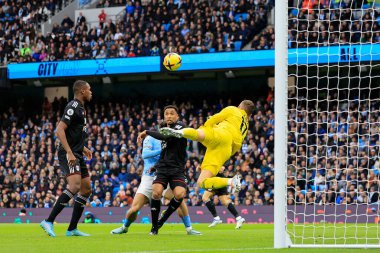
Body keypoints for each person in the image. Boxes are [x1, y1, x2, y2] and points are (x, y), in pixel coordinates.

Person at [110, 134, 201, 235]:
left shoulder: (172, 138)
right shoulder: (150, 138)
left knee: (179, 200)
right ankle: (125, 227)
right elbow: (145, 154)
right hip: (149, 177)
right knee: (134, 209)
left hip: (165, 174)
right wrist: (163, 151)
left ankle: (189, 228)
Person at [160, 100, 254, 193]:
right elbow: (237, 146)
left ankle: (179, 132)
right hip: (227, 149)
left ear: (240, 106)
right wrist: (223, 158)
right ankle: (231, 181)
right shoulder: (246, 126)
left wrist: (206, 126)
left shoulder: (234, 110)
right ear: (249, 115)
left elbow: (216, 118)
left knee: (198, 133)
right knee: (202, 182)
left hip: (222, 134)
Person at [40, 80, 93, 237]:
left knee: (86, 188)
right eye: (89, 89)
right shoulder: (73, 106)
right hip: (67, 153)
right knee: (75, 185)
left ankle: (72, 229)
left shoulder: (82, 109)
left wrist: (82, 148)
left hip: (76, 152)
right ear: (82, 91)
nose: (91, 92)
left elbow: (72, 134)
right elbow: (59, 130)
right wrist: (70, 152)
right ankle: (48, 221)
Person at [137, 105, 190, 235]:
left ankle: (162, 220)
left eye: (172, 113)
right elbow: (165, 151)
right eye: (166, 114)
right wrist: (155, 166)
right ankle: (154, 227)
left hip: (177, 169)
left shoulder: (180, 127)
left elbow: (165, 137)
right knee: (156, 193)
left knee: (179, 194)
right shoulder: (164, 129)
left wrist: (147, 131)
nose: (169, 116)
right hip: (163, 168)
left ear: (177, 117)